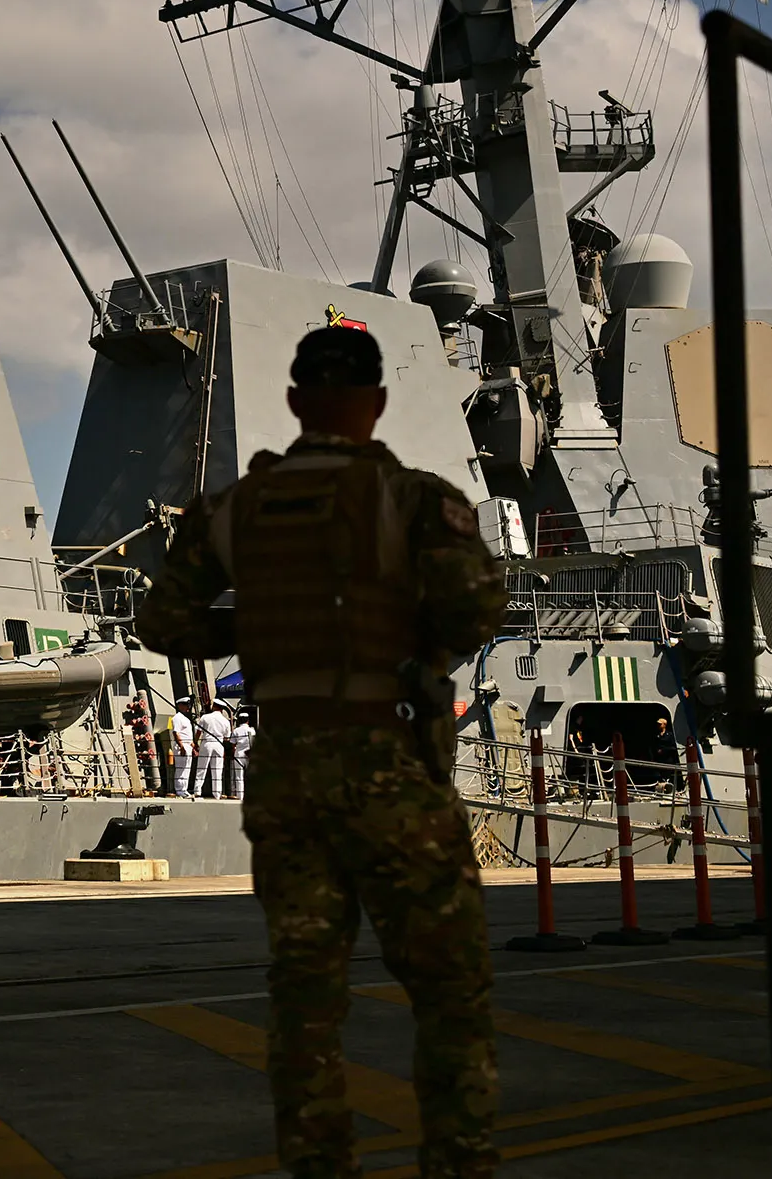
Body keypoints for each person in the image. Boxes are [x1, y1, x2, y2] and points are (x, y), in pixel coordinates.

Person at [136, 324, 509, 1179]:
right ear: (376, 404)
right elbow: (474, 612)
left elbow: (162, 623)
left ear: (298, 401)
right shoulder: (415, 500)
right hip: (392, 772)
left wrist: (258, 630)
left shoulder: (232, 511)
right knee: (450, 993)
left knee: (305, 1002)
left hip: (287, 772)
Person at [193, 700, 231, 798]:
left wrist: (195, 743)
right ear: (222, 709)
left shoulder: (205, 717)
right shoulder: (226, 721)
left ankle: (197, 790)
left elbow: (198, 732)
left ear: (214, 706)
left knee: (202, 767)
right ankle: (217, 793)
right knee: (217, 769)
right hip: (219, 744)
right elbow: (227, 737)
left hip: (207, 743)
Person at [228, 706, 258, 799]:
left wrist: (234, 751)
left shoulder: (236, 731)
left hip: (238, 754)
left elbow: (232, 744)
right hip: (249, 754)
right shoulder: (252, 730)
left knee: (238, 777)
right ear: (247, 721)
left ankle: (240, 795)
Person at [168, 701, 194, 796]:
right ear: (180, 706)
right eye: (186, 705)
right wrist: (181, 746)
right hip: (182, 745)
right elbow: (176, 732)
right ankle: (179, 790)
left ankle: (184, 789)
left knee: (187, 768)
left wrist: (193, 747)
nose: (188, 707)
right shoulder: (177, 718)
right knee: (181, 768)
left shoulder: (185, 719)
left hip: (188, 745)